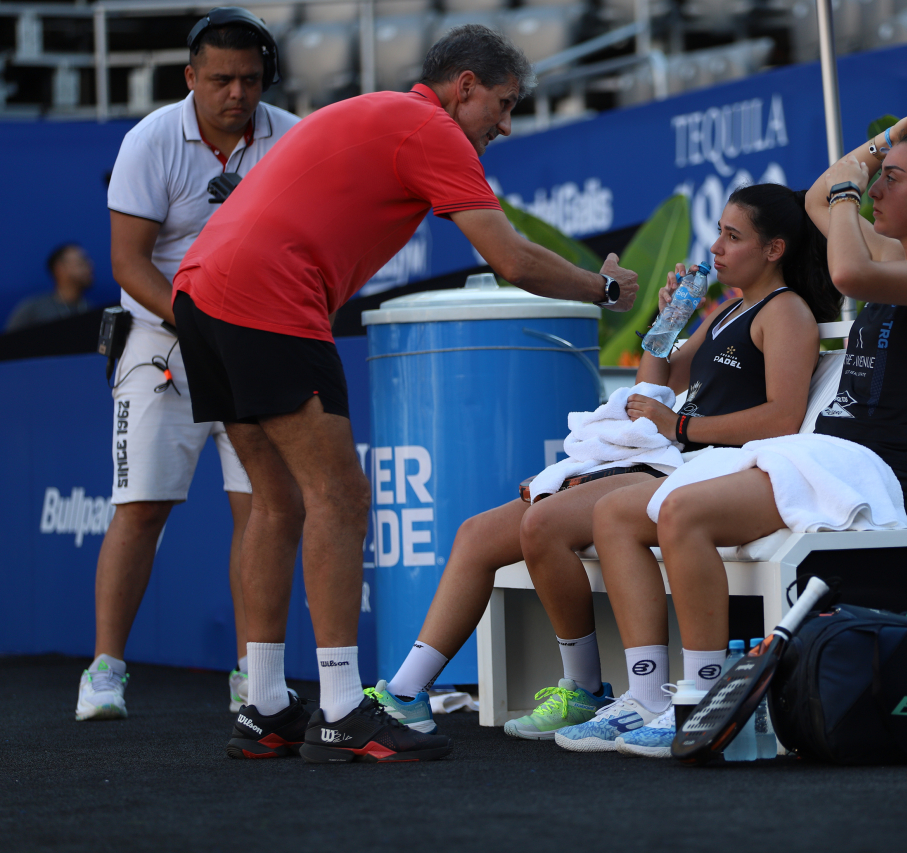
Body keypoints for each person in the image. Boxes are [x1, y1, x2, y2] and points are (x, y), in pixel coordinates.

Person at [171, 24, 639, 764]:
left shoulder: (381, 113)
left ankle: (262, 705)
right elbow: (512, 258)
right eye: (503, 104)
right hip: (266, 295)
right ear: (464, 86)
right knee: (341, 496)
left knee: (276, 499)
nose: (505, 125)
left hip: (200, 291)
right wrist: (603, 286)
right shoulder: (431, 128)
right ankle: (341, 708)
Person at [588, 112, 907, 757]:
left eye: (890, 179)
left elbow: (843, 269)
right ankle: (645, 694)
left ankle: (706, 701)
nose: (873, 188)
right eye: (877, 178)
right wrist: (880, 145)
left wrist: (849, 194)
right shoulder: (900, 255)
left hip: (872, 470)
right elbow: (819, 197)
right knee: (618, 513)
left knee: (681, 514)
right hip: (820, 454)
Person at [366, 182, 838, 749]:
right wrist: (672, 319)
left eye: (732, 237)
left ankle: (598, 689)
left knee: (541, 523)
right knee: (476, 534)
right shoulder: (731, 309)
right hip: (668, 459)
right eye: (717, 231)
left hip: (700, 472)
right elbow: (659, 379)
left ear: (774, 249)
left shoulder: (785, 313)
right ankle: (407, 694)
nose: (715, 247)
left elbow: (782, 418)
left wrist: (681, 427)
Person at [75, 8, 300, 724]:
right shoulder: (150, 140)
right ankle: (105, 669)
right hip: (163, 342)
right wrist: (200, 322)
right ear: (191, 78)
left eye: (252, 80)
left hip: (255, 346)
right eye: (223, 80)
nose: (239, 94)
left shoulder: (291, 138)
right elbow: (126, 263)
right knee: (139, 509)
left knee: (262, 510)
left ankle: (253, 675)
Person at [5, 243, 94, 333]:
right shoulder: (32, 310)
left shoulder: (89, 308)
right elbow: (8, 344)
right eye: (81, 262)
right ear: (60, 269)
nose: (90, 266)